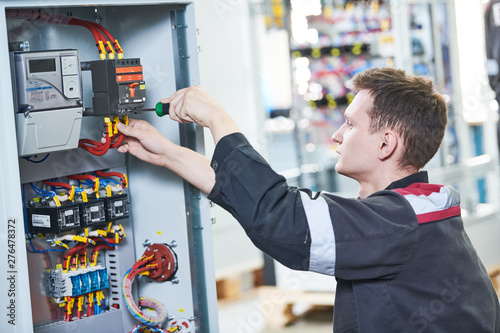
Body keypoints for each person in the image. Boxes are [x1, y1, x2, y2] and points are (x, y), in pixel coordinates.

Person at [116, 67, 500, 332]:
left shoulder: (400, 223)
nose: (336, 136)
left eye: (350, 124)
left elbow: (283, 221)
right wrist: (165, 152)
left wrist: (217, 117)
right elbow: (267, 205)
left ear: (386, 143)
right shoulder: (417, 211)